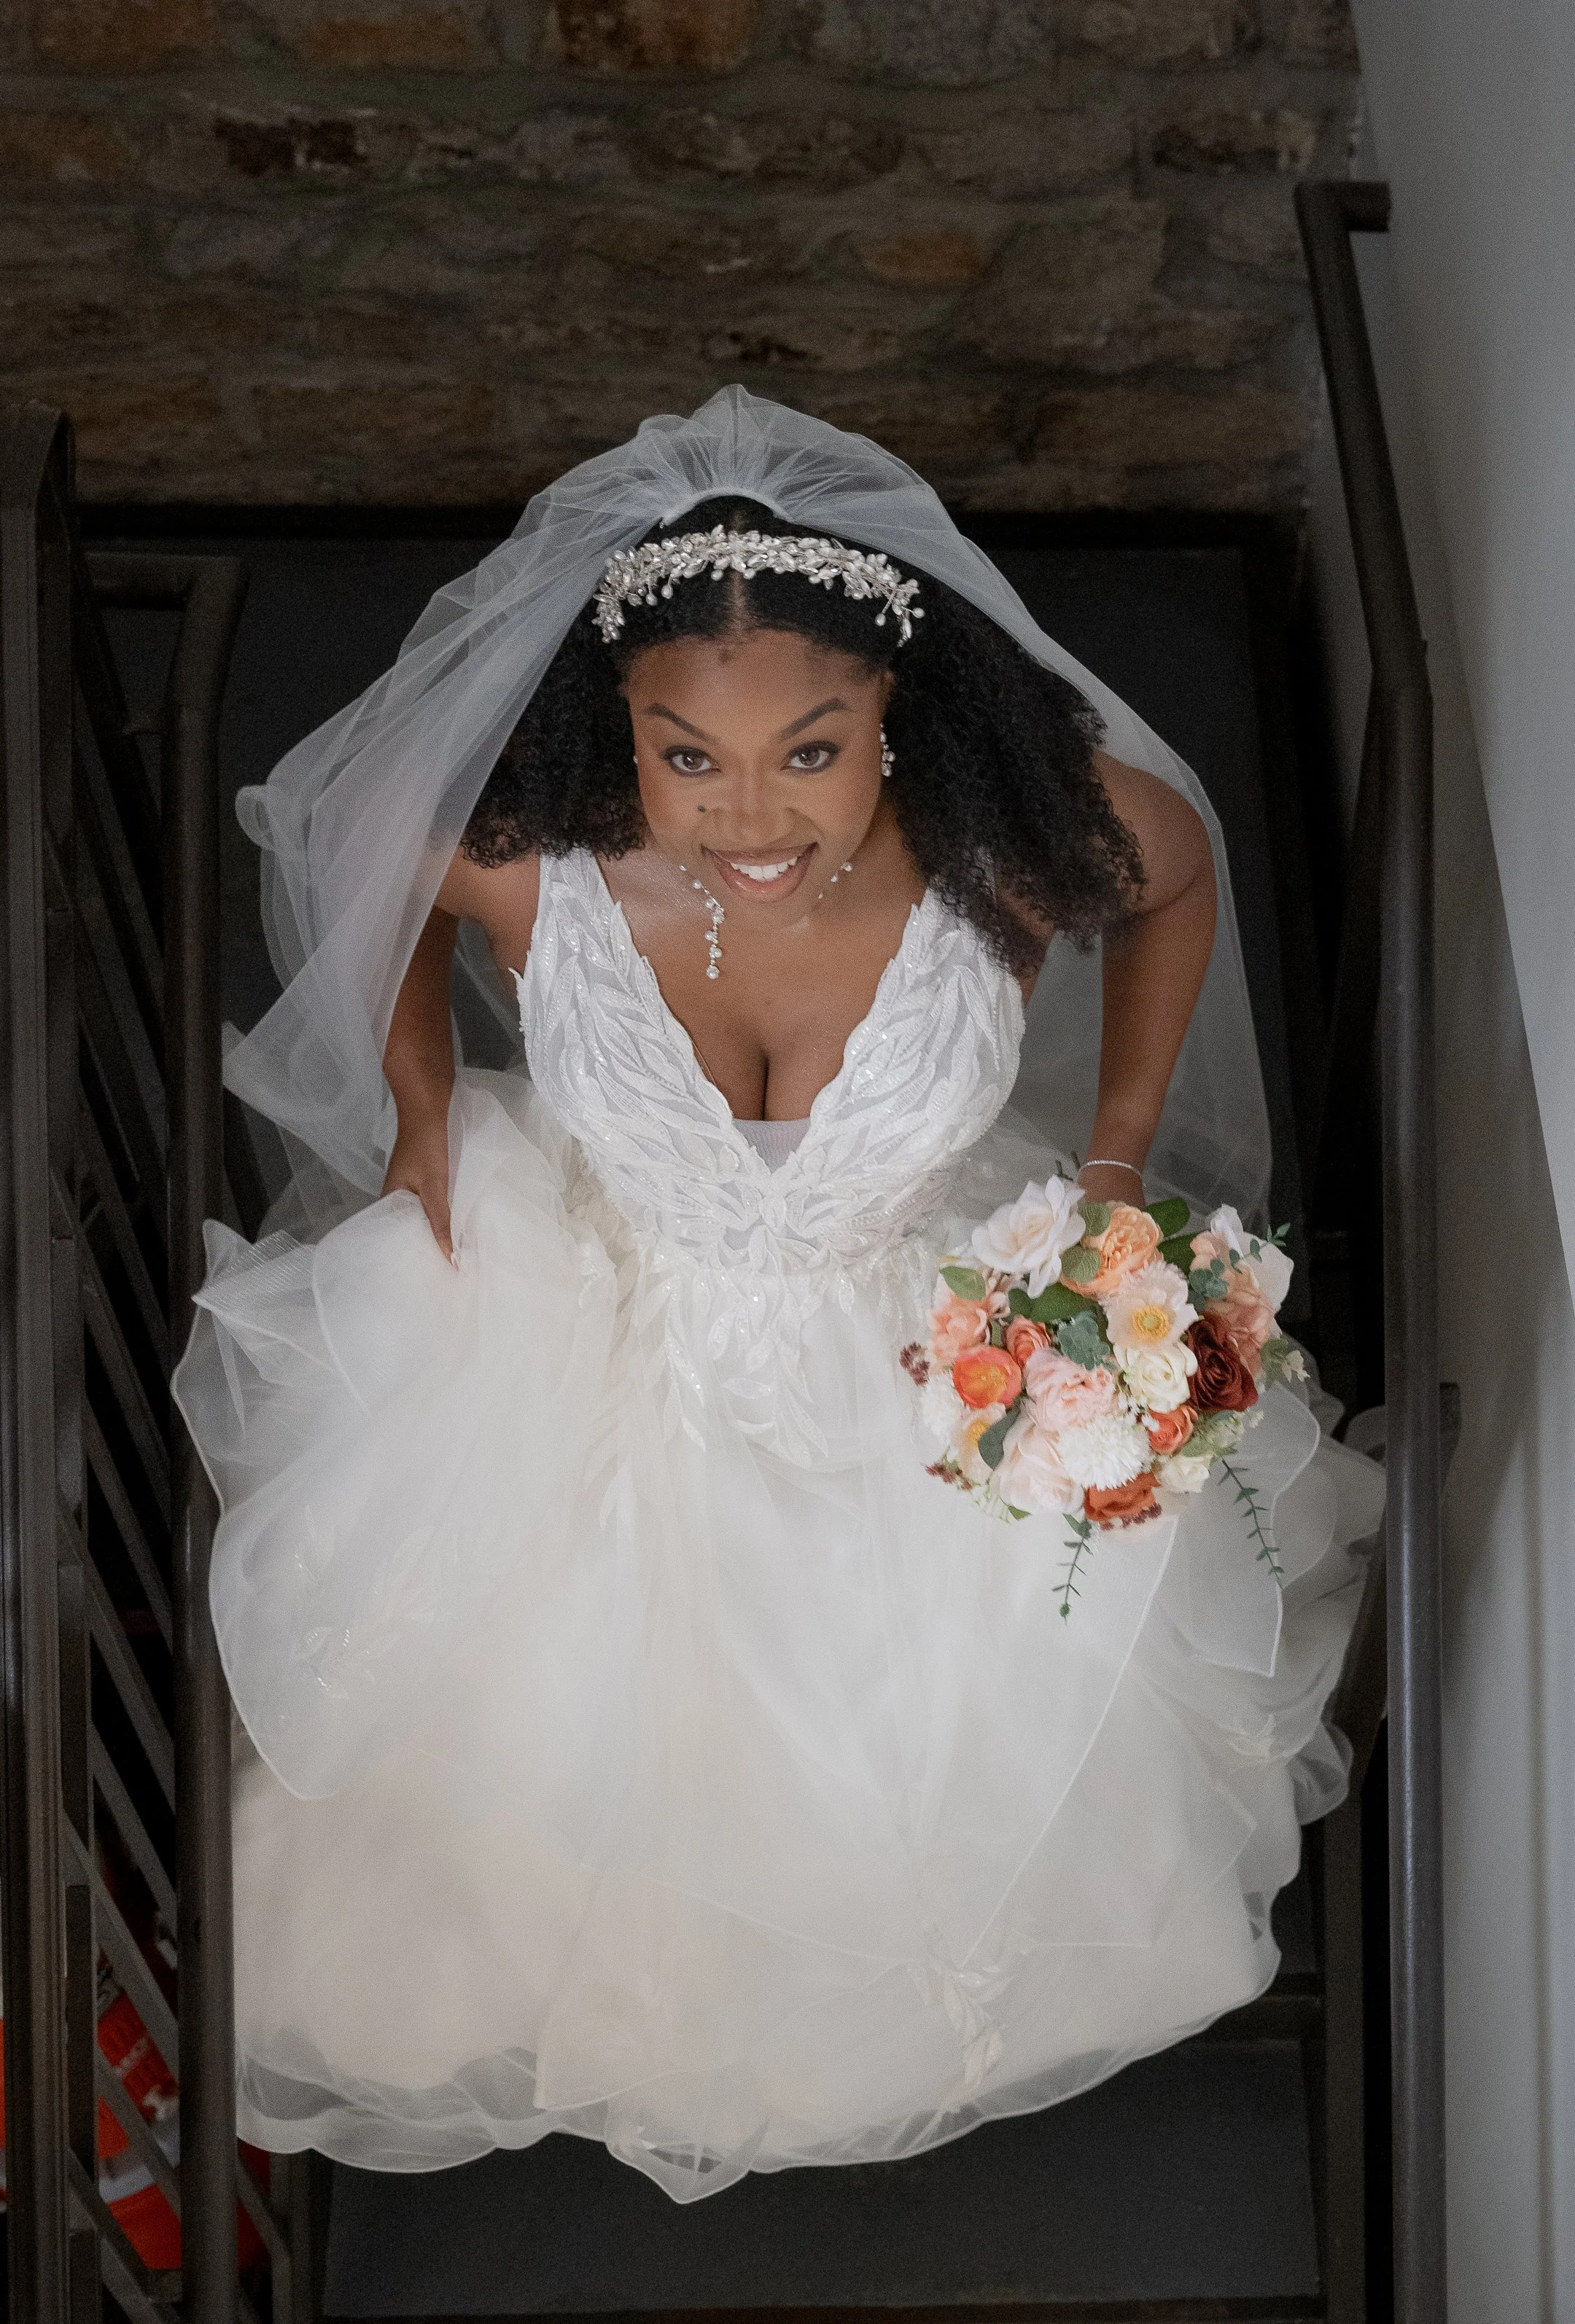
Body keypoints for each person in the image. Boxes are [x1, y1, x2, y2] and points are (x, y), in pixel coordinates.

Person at [174, 389, 1383, 2202]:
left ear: (899, 711)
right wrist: (425, 1103)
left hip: (914, 1347)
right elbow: (372, 848)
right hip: (600, 1337)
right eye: (688, 758)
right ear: (623, 734)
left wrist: (1121, 1153)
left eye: (811, 754)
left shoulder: (1012, 849)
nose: (753, 816)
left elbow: (1183, 868)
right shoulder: (537, 867)